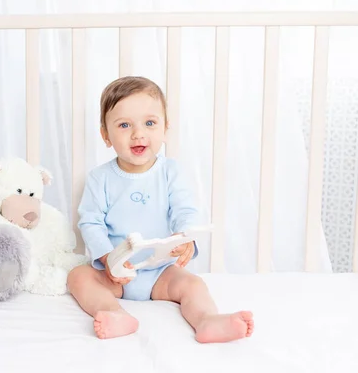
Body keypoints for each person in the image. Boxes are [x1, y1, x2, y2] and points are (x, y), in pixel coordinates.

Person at [67, 76, 254, 343]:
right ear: (106, 135)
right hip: (117, 272)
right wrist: (108, 259)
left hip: (160, 271)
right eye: (124, 125)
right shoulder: (101, 178)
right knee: (78, 276)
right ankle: (113, 312)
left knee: (193, 285)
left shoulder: (170, 172)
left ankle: (206, 320)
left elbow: (185, 211)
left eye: (150, 123)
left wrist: (185, 237)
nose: (138, 133)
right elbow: (90, 222)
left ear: (165, 129)